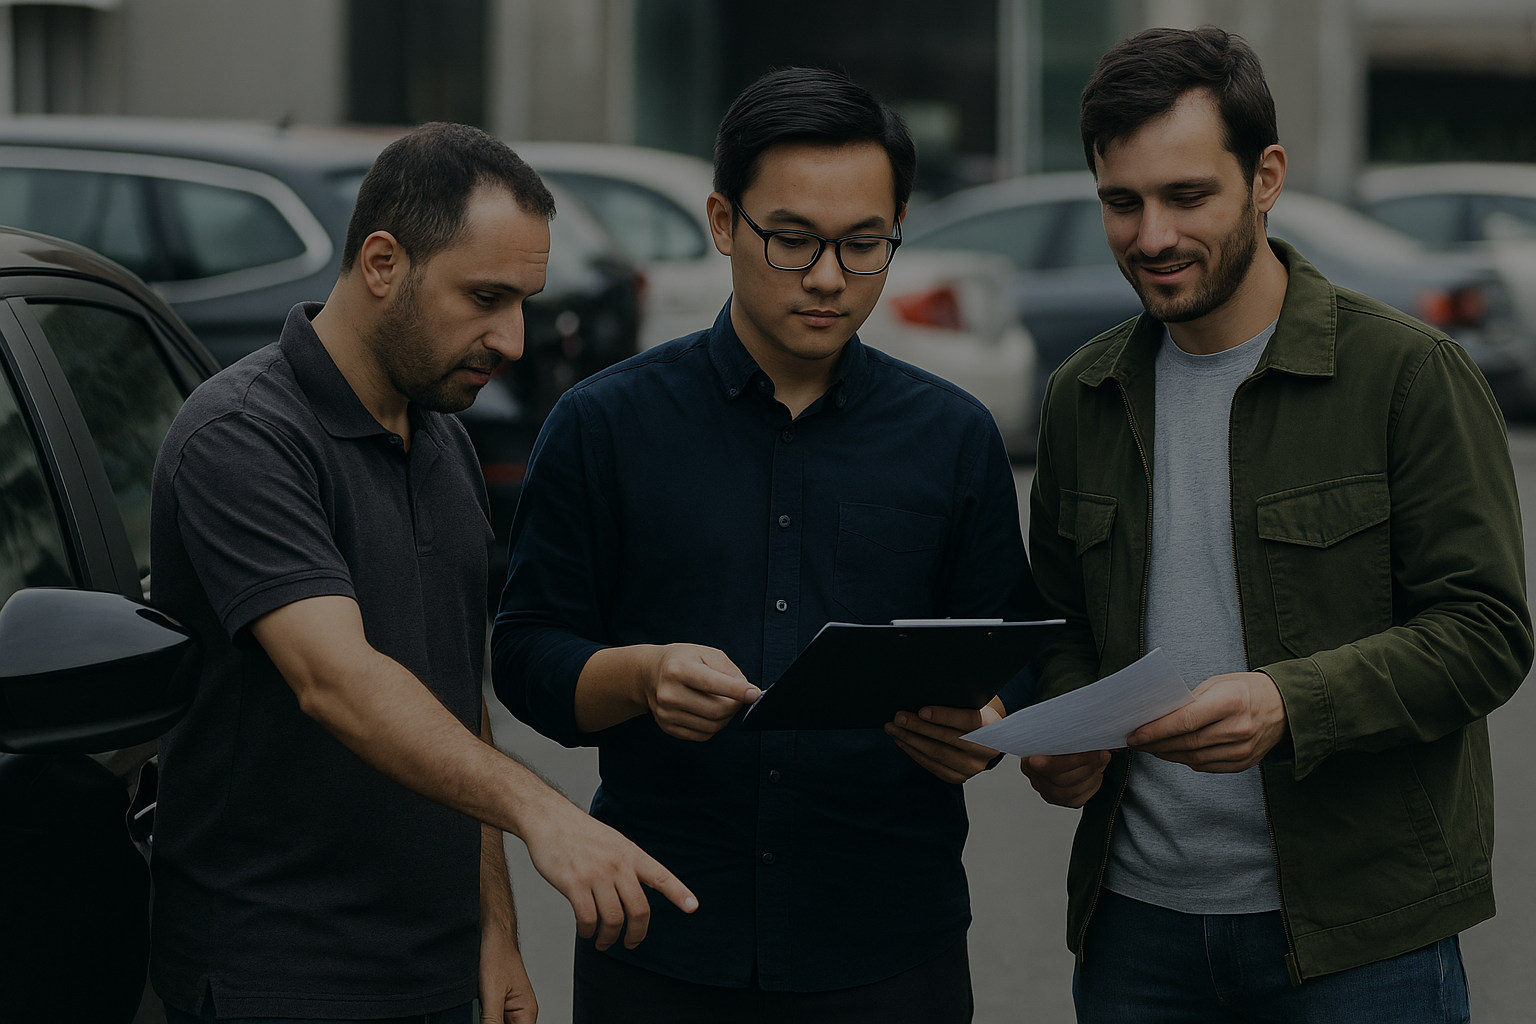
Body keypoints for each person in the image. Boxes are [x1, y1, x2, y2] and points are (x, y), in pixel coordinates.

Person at [493, 68, 1038, 1023]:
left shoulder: (953, 436)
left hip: (887, 948)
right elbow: (527, 654)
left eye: (864, 244)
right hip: (661, 939)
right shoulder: (603, 426)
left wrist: (983, 723)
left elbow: (1012, 650)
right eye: (791, 239)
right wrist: (640, 676)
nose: (828, 276)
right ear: (722, 221)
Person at [1022, 26, 1532, 1023]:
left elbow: (1486, 632)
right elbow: (1061, 624)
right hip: (1136, 934)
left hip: (1362, 937)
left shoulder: (1408, 377)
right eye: (1121, 202)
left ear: (1266, 178)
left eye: (1186, 196)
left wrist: (1291, 702)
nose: (1151, 236)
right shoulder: (1083, 395)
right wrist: (1063, 732)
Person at [148, 122, 696, 1024]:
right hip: (278, 976)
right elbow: (339, 680)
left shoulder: (440, 438)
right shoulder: (244, 438)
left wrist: (494, 927)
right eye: (485, 296)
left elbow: (452, 695)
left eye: (524, 300)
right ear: (381, 262)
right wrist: (545, 814)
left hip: (435, 974)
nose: (514, 339)